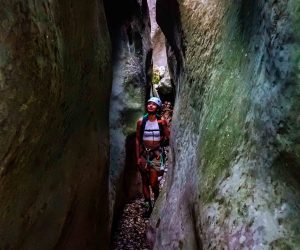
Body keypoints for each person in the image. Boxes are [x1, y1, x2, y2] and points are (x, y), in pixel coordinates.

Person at [136, 97, 169, 216]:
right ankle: (148, 206)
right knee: (145, 180)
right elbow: (138, 140)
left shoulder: (162, 121)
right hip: (144, 154)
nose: (150, 105)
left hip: (156, 154)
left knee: (154, 182)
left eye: (154, 104)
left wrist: (164, 129)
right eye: (149, 103)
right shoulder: (141, 121)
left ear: (158, 107)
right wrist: (138, 157)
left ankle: (157, 204)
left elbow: (168, 136)